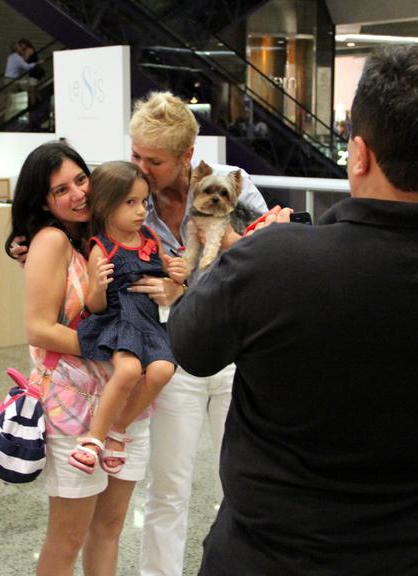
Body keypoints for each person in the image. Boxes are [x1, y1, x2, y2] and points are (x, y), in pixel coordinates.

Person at [167, 45, 418, 575]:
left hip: (273, 560)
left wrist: (253, 254)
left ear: (358, 153)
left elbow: (190, 346)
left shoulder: (272, 265)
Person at [126, 91, 270, 576]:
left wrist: (218, 245)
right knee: (167, 488)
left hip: (236, 353)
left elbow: (269, 256)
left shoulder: (232, 183)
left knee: (241, 486)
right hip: (171, 355)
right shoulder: (129, 196)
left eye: (154, 160)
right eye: (135, 155)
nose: (141, 168)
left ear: (187, 157)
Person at [5, 142, 154, 576]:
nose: (77, 194)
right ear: (43, 201)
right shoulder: (50, 240)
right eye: (60, 190)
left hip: (124, 407)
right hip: (75, 408)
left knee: (109, 530)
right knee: (68, 538)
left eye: (81, 179)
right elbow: (38, 328)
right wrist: (115, 344)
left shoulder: (104, 234)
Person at [70, 161, 185, 474]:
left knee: (162, 370)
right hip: (119, 321)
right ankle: (95, 437)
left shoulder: (148, 237)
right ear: (107, 205)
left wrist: (176, 275)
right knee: (129, 370)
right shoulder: (101, 247)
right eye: (130, 203)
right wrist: (98, 284)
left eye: (144, 202)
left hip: (149, 321)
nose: (141, 211)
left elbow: (167, 271)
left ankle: (118, 428)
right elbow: (95, 306)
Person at [4, 41, 40, 106]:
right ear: (16, 49)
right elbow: (26, 67)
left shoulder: (12, 56)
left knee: (19, 93)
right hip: (11, 81)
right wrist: (37, 63)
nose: (21, 48)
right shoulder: (17, 58)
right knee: (13, 99)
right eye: (19, 46)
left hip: (9, 80)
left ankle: (32, 101)